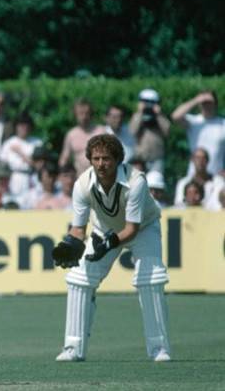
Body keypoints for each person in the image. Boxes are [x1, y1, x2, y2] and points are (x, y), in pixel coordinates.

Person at [51, 134, 171, 363]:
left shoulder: (136, 182)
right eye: (95, 158)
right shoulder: (82, 185)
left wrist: (110, 243)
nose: (100, 164)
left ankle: (159, 349)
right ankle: (73, 348)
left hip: (143, 228)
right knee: (78, 279)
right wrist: (71, 244)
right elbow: (78, 228)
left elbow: (131, 229)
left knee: (150, 279)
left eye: (106, 158)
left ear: (117, 159)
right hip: (103, 229)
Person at [171, 90, 225, 175]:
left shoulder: (222, 123)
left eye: (209, 102)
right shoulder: (193, 121)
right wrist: (197, 100)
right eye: (204, 103)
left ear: (215, 103)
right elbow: (175, 116)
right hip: (194, 175)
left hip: (217, 175)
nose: (207, 105)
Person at [0, 112, 43, 201]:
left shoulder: (37, 143)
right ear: (16, 126)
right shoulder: (9, 143)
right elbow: (2, 166)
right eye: (21, 125)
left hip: (32, 178)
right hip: (14, 178)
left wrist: (20, 153)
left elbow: (39, 166)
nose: (24, 128)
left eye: (27, 125)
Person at [59, 98, 105, 175]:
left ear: (91, 114)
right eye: (80, 113)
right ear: (75, 114)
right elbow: (64, 158)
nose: (84, 116)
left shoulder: (101, 131)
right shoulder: (71, 134)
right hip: (80, 178)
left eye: (87, 113)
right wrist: (62, 175)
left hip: (100, 177)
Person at [129, 89, 170, 172]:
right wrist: (140, 112)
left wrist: (158, 115)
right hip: (139, 160)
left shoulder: (160, 117)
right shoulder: (136, 116)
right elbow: (132, 131)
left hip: (156, 159)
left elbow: (167, 131)